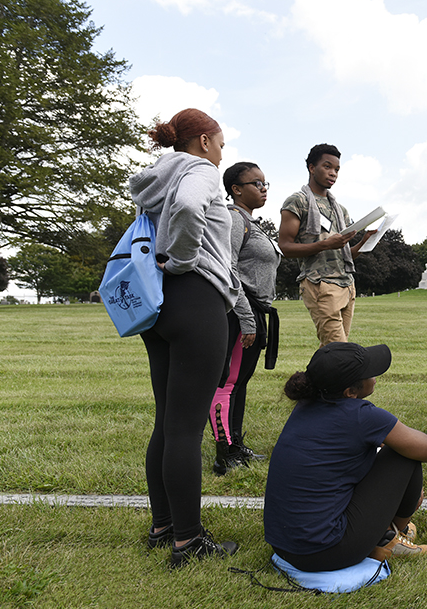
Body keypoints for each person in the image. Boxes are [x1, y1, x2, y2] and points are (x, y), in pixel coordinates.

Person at [129, 108, 241, 567]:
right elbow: (192, 207)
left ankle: (163, 526)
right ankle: (188, 541)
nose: (221, 151)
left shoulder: (156, 176)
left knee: (168, 421)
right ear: (203, 142)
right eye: (220, 142)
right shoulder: (200, 170)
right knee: (185, 428)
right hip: (196, 298)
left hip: (159, 304)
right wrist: (180, 259)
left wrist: (169, 265)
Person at [264, 342, 427, 571]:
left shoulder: (305, 405)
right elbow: (426, 449)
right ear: (350, 392)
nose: (375, 374)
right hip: (327, 552)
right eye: (369, 372)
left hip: (284, 546)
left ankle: (387, 533)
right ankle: (392, 537)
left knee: (388, 449)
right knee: (402, 455)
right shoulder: (362, 416)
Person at [208, 162, 281, 475]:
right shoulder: (235, 219)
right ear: (236, 189)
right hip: (241, 314)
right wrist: (247, 319)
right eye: (256, 183)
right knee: (228, 382)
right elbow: (229, 267)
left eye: (266, 183)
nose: (263, 189)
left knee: (241, 382)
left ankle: (236, 443)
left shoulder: (252, 221)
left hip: (254, 311)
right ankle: (224, 453)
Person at [277, 144, 375, 347]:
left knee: (332, 350)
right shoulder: (298, 201)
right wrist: (324, 245)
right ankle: (317, 380)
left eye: (337, 169)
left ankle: (309, 380)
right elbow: (285, 247)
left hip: (347, 285)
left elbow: (343, 254)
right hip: (319, 284)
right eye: (327, 167)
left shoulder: (340, 209)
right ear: (312, 168)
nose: (333, 173)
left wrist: (364, 243)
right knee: (339, 349)